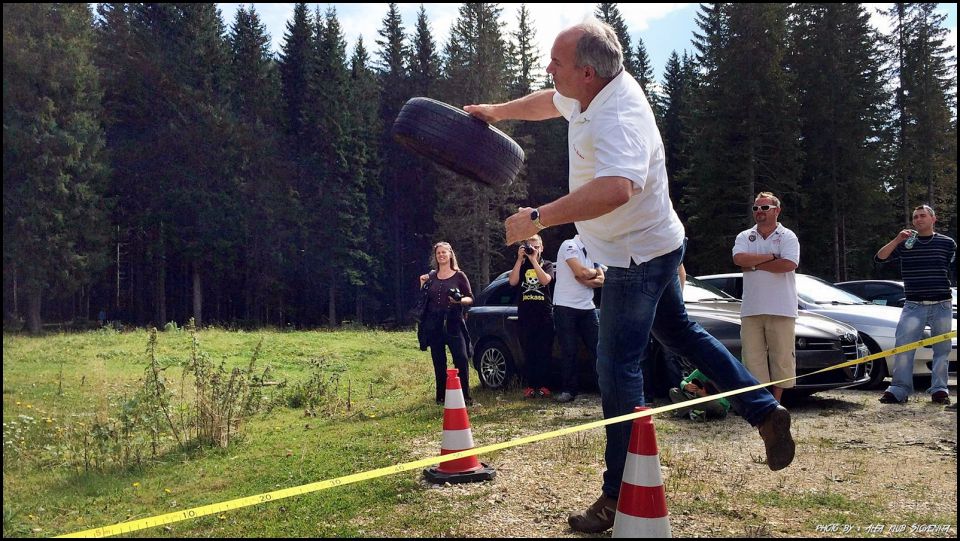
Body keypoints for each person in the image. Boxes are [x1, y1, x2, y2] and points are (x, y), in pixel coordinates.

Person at [465, 19, 794, 533]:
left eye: (558, 62)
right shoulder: (588, 90)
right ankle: (761, 408)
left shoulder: (620, 115)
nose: (550, 70)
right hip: (656, 245)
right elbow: (548, 100)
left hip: (635, 257)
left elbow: (617, 187)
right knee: (681, 332)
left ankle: (616, 495)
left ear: (589, 71)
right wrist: (496, 113)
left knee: (617, 368)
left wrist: (537, 218)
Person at [875, 204, 956, 405]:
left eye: (922, 216)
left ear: (933, 219)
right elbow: (880, 258)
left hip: (942, 303)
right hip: (913, 304)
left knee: (942, 348)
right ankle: (898, 390)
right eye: (915, 217)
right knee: (903, 347)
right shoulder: (905, 243)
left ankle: (939, 390)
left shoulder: (947, 243)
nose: (918, 220)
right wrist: (897, 239)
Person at [732, 192, 800, 403]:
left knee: (781, 358)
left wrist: (753, 264)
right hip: (751, 308)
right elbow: (738, 259)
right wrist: (772, 256)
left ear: (777, 210)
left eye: (764, 208)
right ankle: (760, 402)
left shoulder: (787, 236)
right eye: (756, 208)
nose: (759, 212)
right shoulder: (745, 236)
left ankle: (776, 403)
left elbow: (789, 264)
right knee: (753, 359)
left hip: (782, 308)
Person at [417, 242, 475, 406]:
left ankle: (465, 396)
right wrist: (422, 284)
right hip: (434, 322)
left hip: (454, 321)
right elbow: (423, 299)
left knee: (461, 358)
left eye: (444, 252)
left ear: (450, 254)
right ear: (436, 257)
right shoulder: (431, 276)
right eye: (438, 253)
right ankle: (441, 397)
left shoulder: (459, 276)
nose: (441, 255)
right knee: (438, 360)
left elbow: (471, 298)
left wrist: (459, 300)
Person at [552, 234, 604, 403]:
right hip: (565, 306)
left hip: (587, 307)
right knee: (569, 350)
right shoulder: (569, 245)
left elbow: (601, 280)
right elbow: (579, 272)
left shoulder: (594, 251)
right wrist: (589, 274)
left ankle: (604, 389)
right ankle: (569, 390)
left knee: (598, 348)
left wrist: (588, 278)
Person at [509, 235, 555, 398]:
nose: (533, 249)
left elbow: (545, 280)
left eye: (536, 247)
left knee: (544, 351)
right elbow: (513, 282)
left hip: (543, 314)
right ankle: (530, 385)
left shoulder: (547, 264)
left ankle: (544, 386)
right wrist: (519, 259)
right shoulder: (522, 265)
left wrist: (534, 260)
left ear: (542, 248)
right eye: (530, 246)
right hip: (525, 314)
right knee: (528, 351)